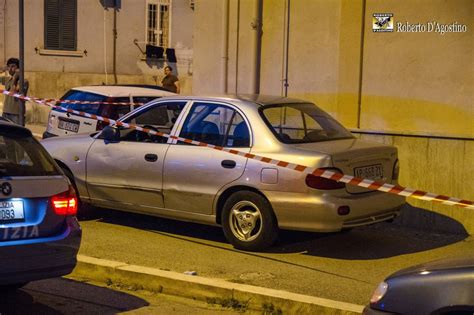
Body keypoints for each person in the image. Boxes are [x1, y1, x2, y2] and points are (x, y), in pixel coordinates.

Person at [0, 58, 28, 125]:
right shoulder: (8, 79)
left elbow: (14, 91)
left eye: (13, 66)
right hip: (6, 111)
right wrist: (2, 70)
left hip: (16, 113)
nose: (10, 68)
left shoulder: (23, 81)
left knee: (17, 134)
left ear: (18, 68)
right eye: (9, 66)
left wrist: (16, 77)